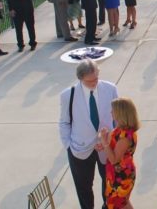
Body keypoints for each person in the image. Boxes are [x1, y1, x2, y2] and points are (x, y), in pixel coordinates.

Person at [59, 60, 118, 209]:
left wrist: (110, 139)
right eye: (89, 81)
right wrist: (68, 145)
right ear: (80, 78)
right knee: (83, 187)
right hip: (79, 149)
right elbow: (64, 122)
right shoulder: (68, 95)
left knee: (109, 183)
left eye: (96, 78)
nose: (94, 83)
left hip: (106, 148)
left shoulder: (110, 89)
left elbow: (117, 119)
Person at [100, 97, 140, 209]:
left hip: (121, 175)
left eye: (113, 110)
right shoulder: (119, 129)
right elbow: (113, 148)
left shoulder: (125, 136)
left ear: (120, 113)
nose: (111, 112)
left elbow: (114, 159)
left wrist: (104, 142)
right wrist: (104, 145)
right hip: (115, 174)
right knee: (123, 203)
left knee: (118, 204)